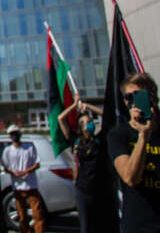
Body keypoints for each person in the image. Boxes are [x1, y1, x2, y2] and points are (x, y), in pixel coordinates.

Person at [108, 72, 160, 233]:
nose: (134, 103)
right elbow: (130, 178)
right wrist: (143, 135)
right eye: (129, 98)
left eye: (139, 96)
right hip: (138, 225)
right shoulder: (119, 135)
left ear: (153, 98)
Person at [57, 94, 103, 233]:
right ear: (81, 126)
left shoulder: (98, 140)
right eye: (87, 122)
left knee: (100, 225)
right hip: (82, 189)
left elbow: (106, 116)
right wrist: (74, 104)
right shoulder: (75, 140)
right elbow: (61, 119)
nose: (90, 124)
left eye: (91, 122)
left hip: (99, 189)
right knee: (86, 226)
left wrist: (87, 106)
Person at [0, 124, 44, 233]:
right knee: (22, 216)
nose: (14, 136)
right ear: (9, 136)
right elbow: (5, 167)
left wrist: (26, 171)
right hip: (17, 187)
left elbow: (37, 163)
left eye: (16, 133)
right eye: (12, 134)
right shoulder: (7, 151)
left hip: (31, 185)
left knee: (38, 215)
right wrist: (14, 173)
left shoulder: (29, 147)